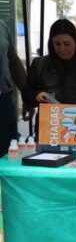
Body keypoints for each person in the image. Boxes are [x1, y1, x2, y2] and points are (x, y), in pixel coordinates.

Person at [22, 19, 76, 114]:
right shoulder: (39, 64)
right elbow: (26, 94)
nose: (62, 49)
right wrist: (36, 95)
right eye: (57, 44)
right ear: (51, 44)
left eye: (67, 44)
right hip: (48, 121)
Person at [0, 19, 25, 156]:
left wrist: (27, 96)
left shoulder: (2, 25)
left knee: (8, 154)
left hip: (3, 101)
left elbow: (13, 61)